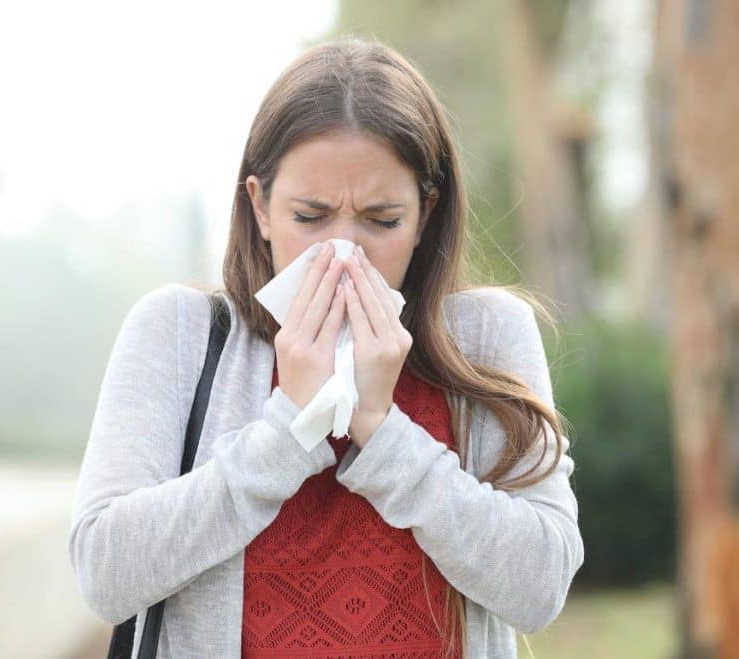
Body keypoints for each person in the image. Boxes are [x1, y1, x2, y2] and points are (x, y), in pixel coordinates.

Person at [69, 36, 583, 659]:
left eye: (382, 220)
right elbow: (104, 573)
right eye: (310, 217)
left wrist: (383, 429)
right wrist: (288, 429)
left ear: (426, 212)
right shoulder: (178, 333)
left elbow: (539, 589)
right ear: (258, 207)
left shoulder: (488, 335)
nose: (345, 255)